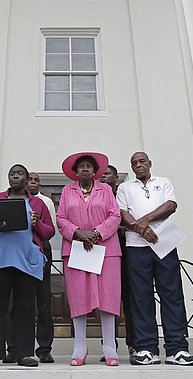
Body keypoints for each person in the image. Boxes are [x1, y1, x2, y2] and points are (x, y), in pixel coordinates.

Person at [116, 152, 193, 366]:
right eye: (134, 163)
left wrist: (145, 221)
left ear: (150, 164)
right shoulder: (125, 188)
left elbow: (170, 206)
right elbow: (122, 214)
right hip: (136, 247)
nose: (138, 165)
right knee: (141, 298)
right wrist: (141, 230)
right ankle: (146, 348)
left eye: (142, 161)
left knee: (172, 294)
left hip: (164, 244)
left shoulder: (163, 182)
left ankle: (177, 349)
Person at [0, 164, 55, 368]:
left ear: (27, 179)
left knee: (25, 307)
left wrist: (37, 223)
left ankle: (24, 353)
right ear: (8, 178)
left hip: (26, 261)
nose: (15, 176)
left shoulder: (37, 203)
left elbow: (49, 232)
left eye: (20, 174)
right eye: (12, 174)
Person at [56, 152, 122, 366]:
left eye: (89, 166)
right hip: (77, 249)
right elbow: (61, 218)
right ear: (76, 172)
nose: (85, 169)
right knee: (79, 297)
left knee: (107, 297)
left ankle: (110, 347)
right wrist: (78, 233)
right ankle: (79, 347)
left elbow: (115, 215)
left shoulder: (106, 190)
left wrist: (97, 232)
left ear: (95, 171)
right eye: (81, 166)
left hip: (105, 250)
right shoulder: (67, 191)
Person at [4, 172, 56, 363]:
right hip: (16, 251)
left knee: (43, 301)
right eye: (30, 180)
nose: (32, 183)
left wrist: (37, 223)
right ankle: (13, 348)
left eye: (36, 180)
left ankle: (43, 348)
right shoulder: (8, 199)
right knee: (13, 302)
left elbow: (50, 229)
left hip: (41, 248)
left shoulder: (44, 203)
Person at [100, 165, 135, 356]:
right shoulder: (96, 197)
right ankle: (108, 344)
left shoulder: (125, 197)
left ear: (116, 178)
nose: (104, 177)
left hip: (128, 252)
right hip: (103, 254)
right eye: (102, 174)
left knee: (130, 299)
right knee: (106, 300)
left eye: (108, 174)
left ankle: (134, 343)